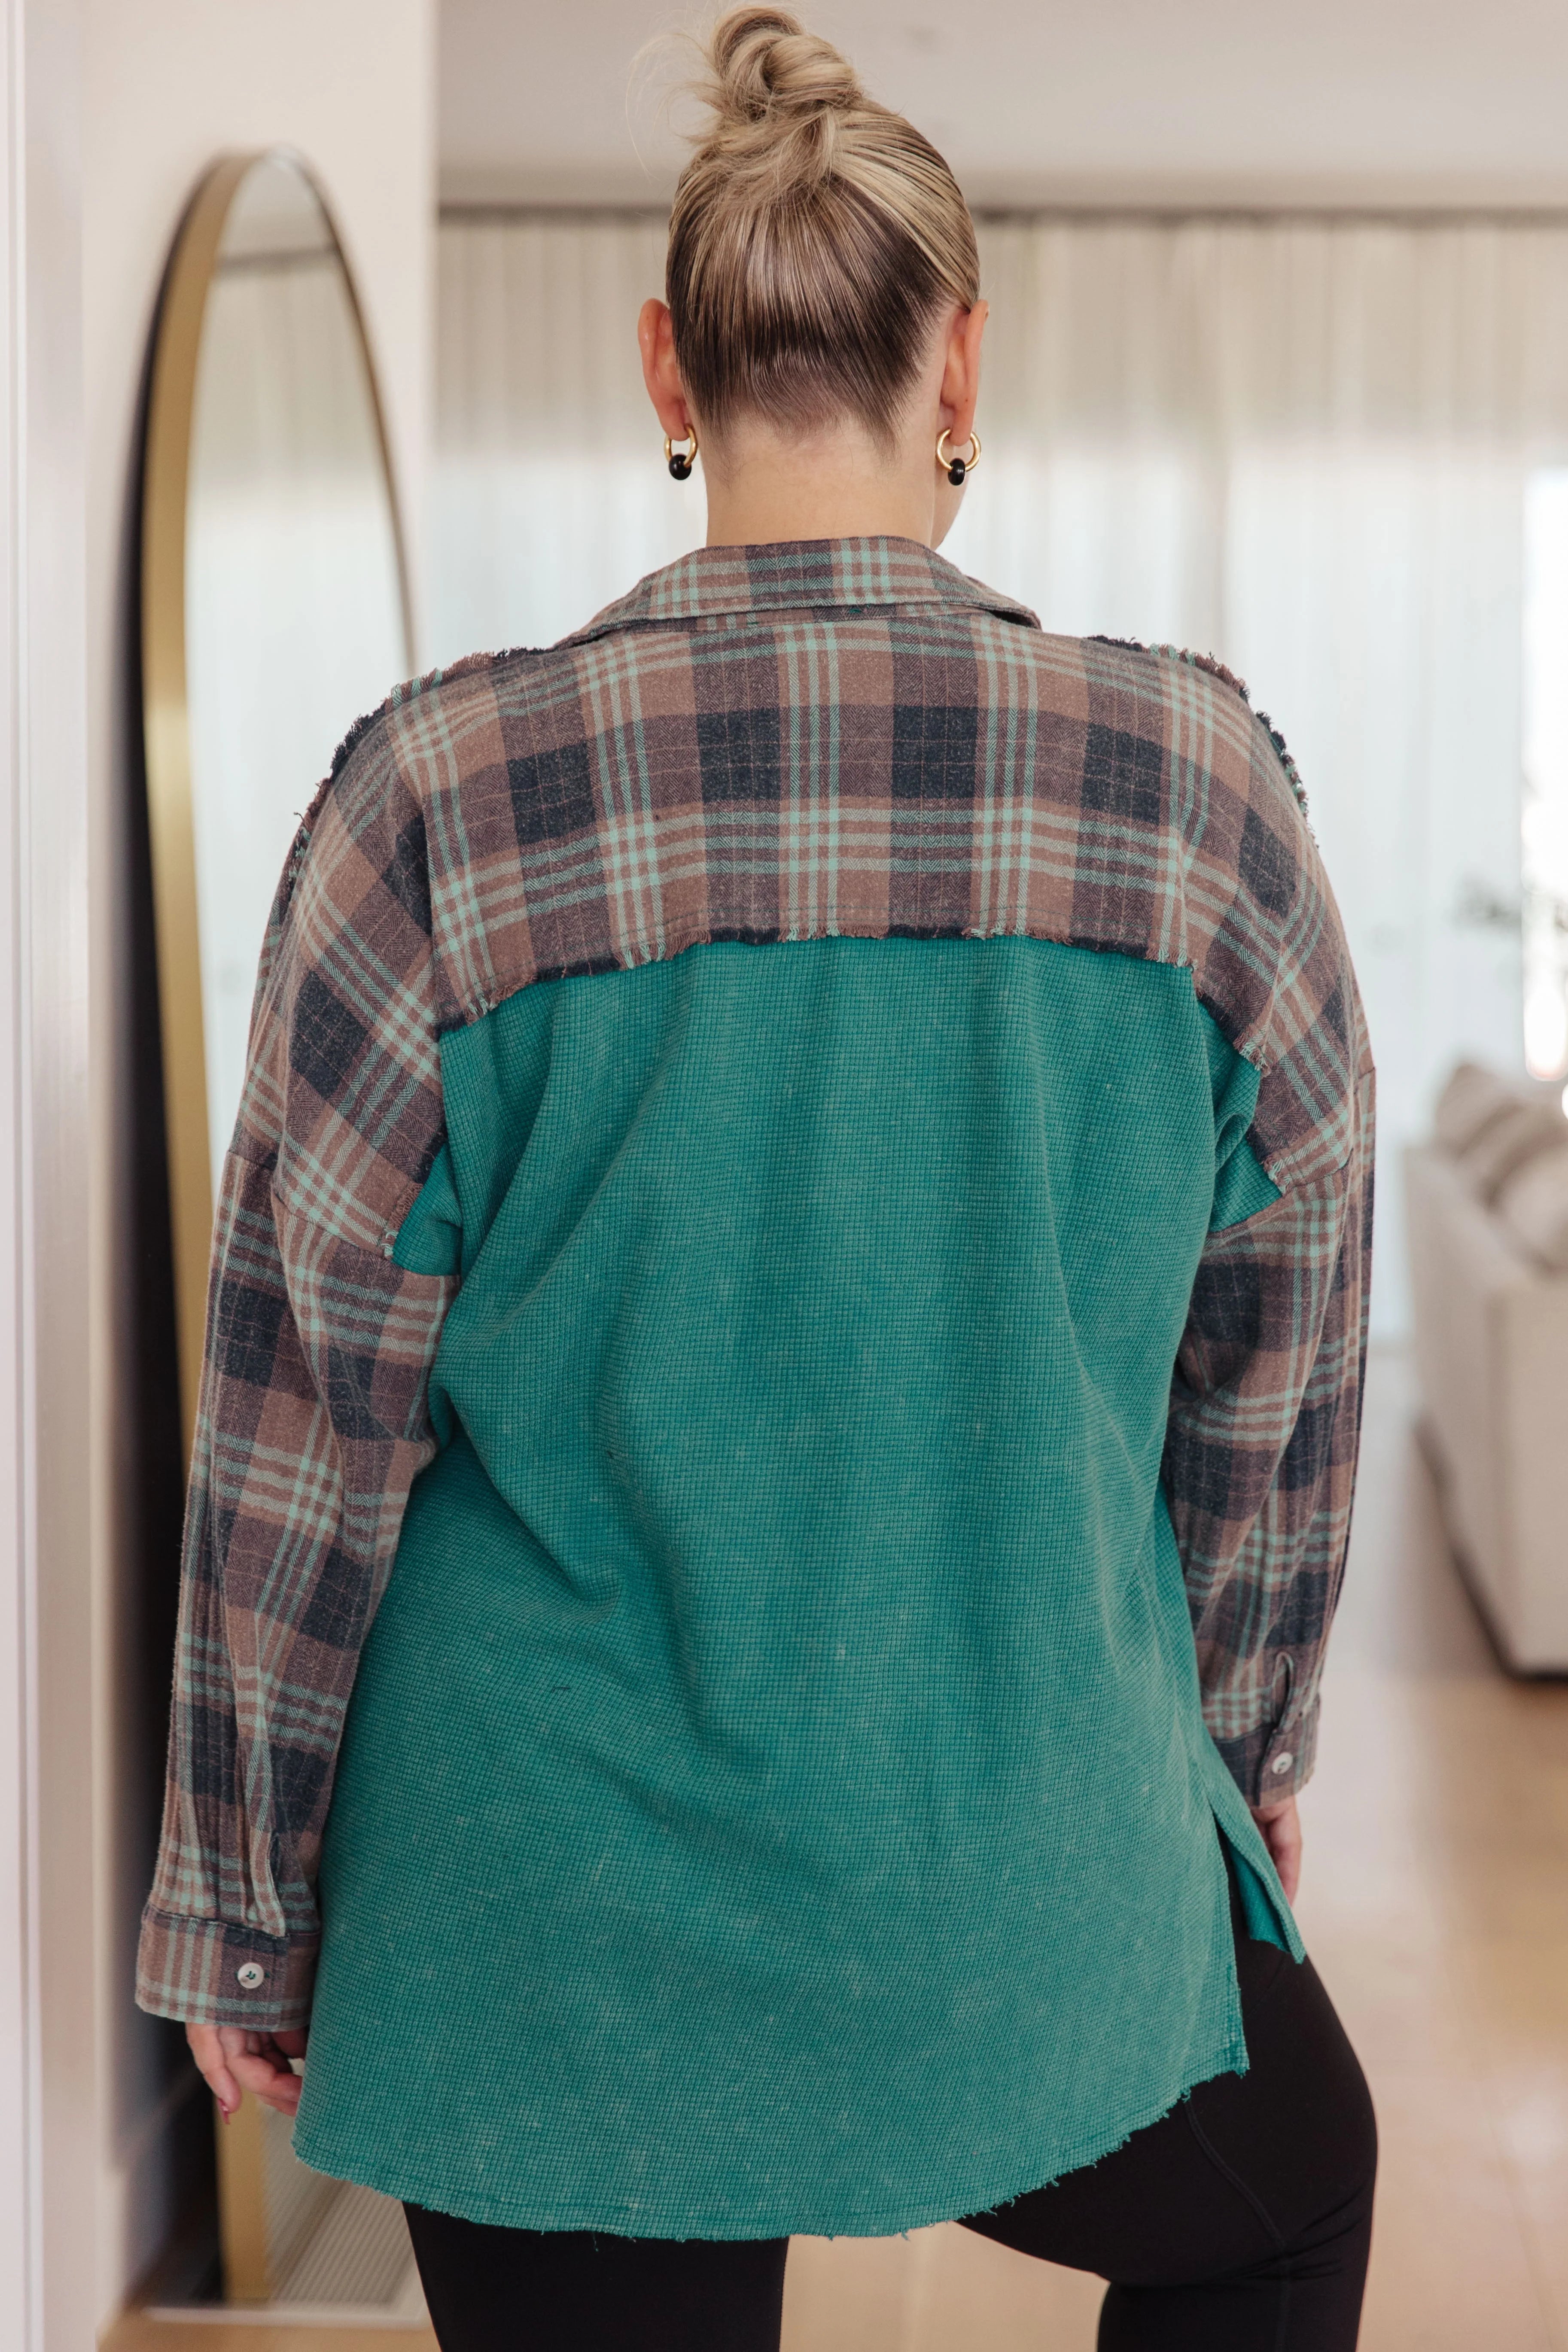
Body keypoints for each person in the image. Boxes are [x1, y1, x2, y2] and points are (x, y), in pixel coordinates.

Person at [137, 9, 1378, 2347]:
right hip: (1014, 1879)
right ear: (959, 366)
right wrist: (1232, 1759)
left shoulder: (436, 802)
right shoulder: (1200, 796)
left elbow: (305, 1423)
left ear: (669, 369)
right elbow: (1277, 1368)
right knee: (1288, 2193)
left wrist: (243, 1895)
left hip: (551, 1914)